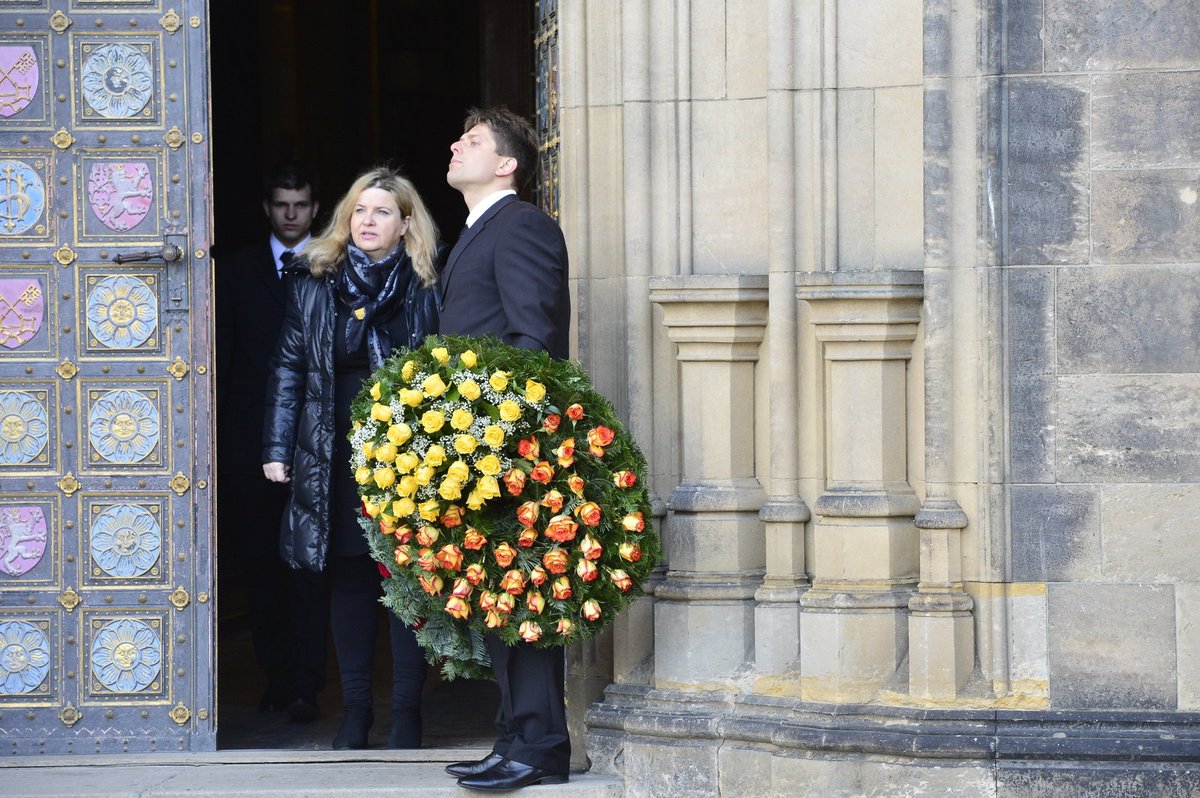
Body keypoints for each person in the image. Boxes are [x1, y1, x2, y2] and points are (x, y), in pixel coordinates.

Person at [261, 167, 440, 749]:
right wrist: (276, 447)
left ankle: (407, 713)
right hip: (332, 449)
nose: (368, 221)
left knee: (405, 576)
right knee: (351, 578)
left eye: (383, 211)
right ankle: (355, 712)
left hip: (405, 452)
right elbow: (288, 367)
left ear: (406, 224)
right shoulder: (314, 280)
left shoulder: (426, 284)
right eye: (360, 210)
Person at [439, 108, 572, 791]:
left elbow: (532, 340)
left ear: (507, 164)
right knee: (498, 595)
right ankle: (516, 736)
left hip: (509, 446)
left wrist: (501, 436)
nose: (457, 145)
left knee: (522, 594)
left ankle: (541, 746)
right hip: (478, 446)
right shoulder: (478, 232)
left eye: (475, 140)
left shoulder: (520, 226)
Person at [214, 161, 320, 717]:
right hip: (248, 445)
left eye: (300, 204)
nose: (290, 214)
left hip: (315, 444)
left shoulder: (335, 270)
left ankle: (308, 682)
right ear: (266, 208)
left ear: (315, 208)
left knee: (311, 566)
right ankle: (277, 677)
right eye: (281, 204)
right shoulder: (233, 273)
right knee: (259, 565)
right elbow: (225, 363)